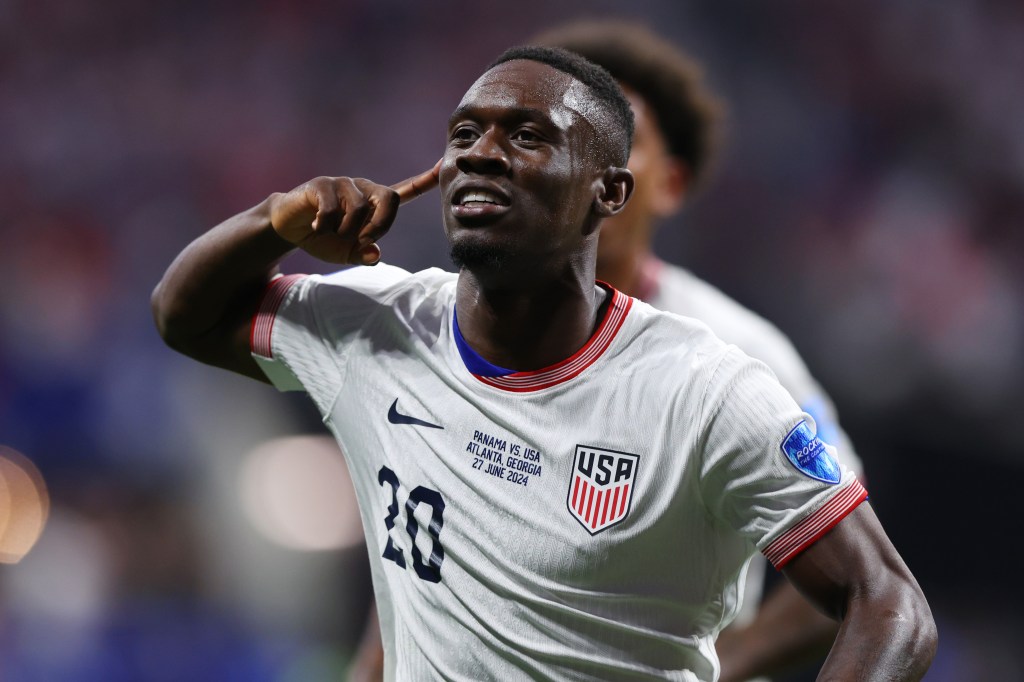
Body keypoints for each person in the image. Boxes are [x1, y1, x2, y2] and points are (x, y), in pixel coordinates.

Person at [152, 45, 936, 680]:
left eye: (527, 136)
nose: (481, 155)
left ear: (610, 192)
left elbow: (888, 602)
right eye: (463, 136)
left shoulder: (708, 388)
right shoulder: (376, 325)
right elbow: (185, 315)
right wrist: (273, 222)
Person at [349, 21, 870, 682]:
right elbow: (422, 541)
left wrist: (721, 668)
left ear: (663, 182)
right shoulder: (467, 325)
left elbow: (850, 574)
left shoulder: (737, 352)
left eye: (624, 139)